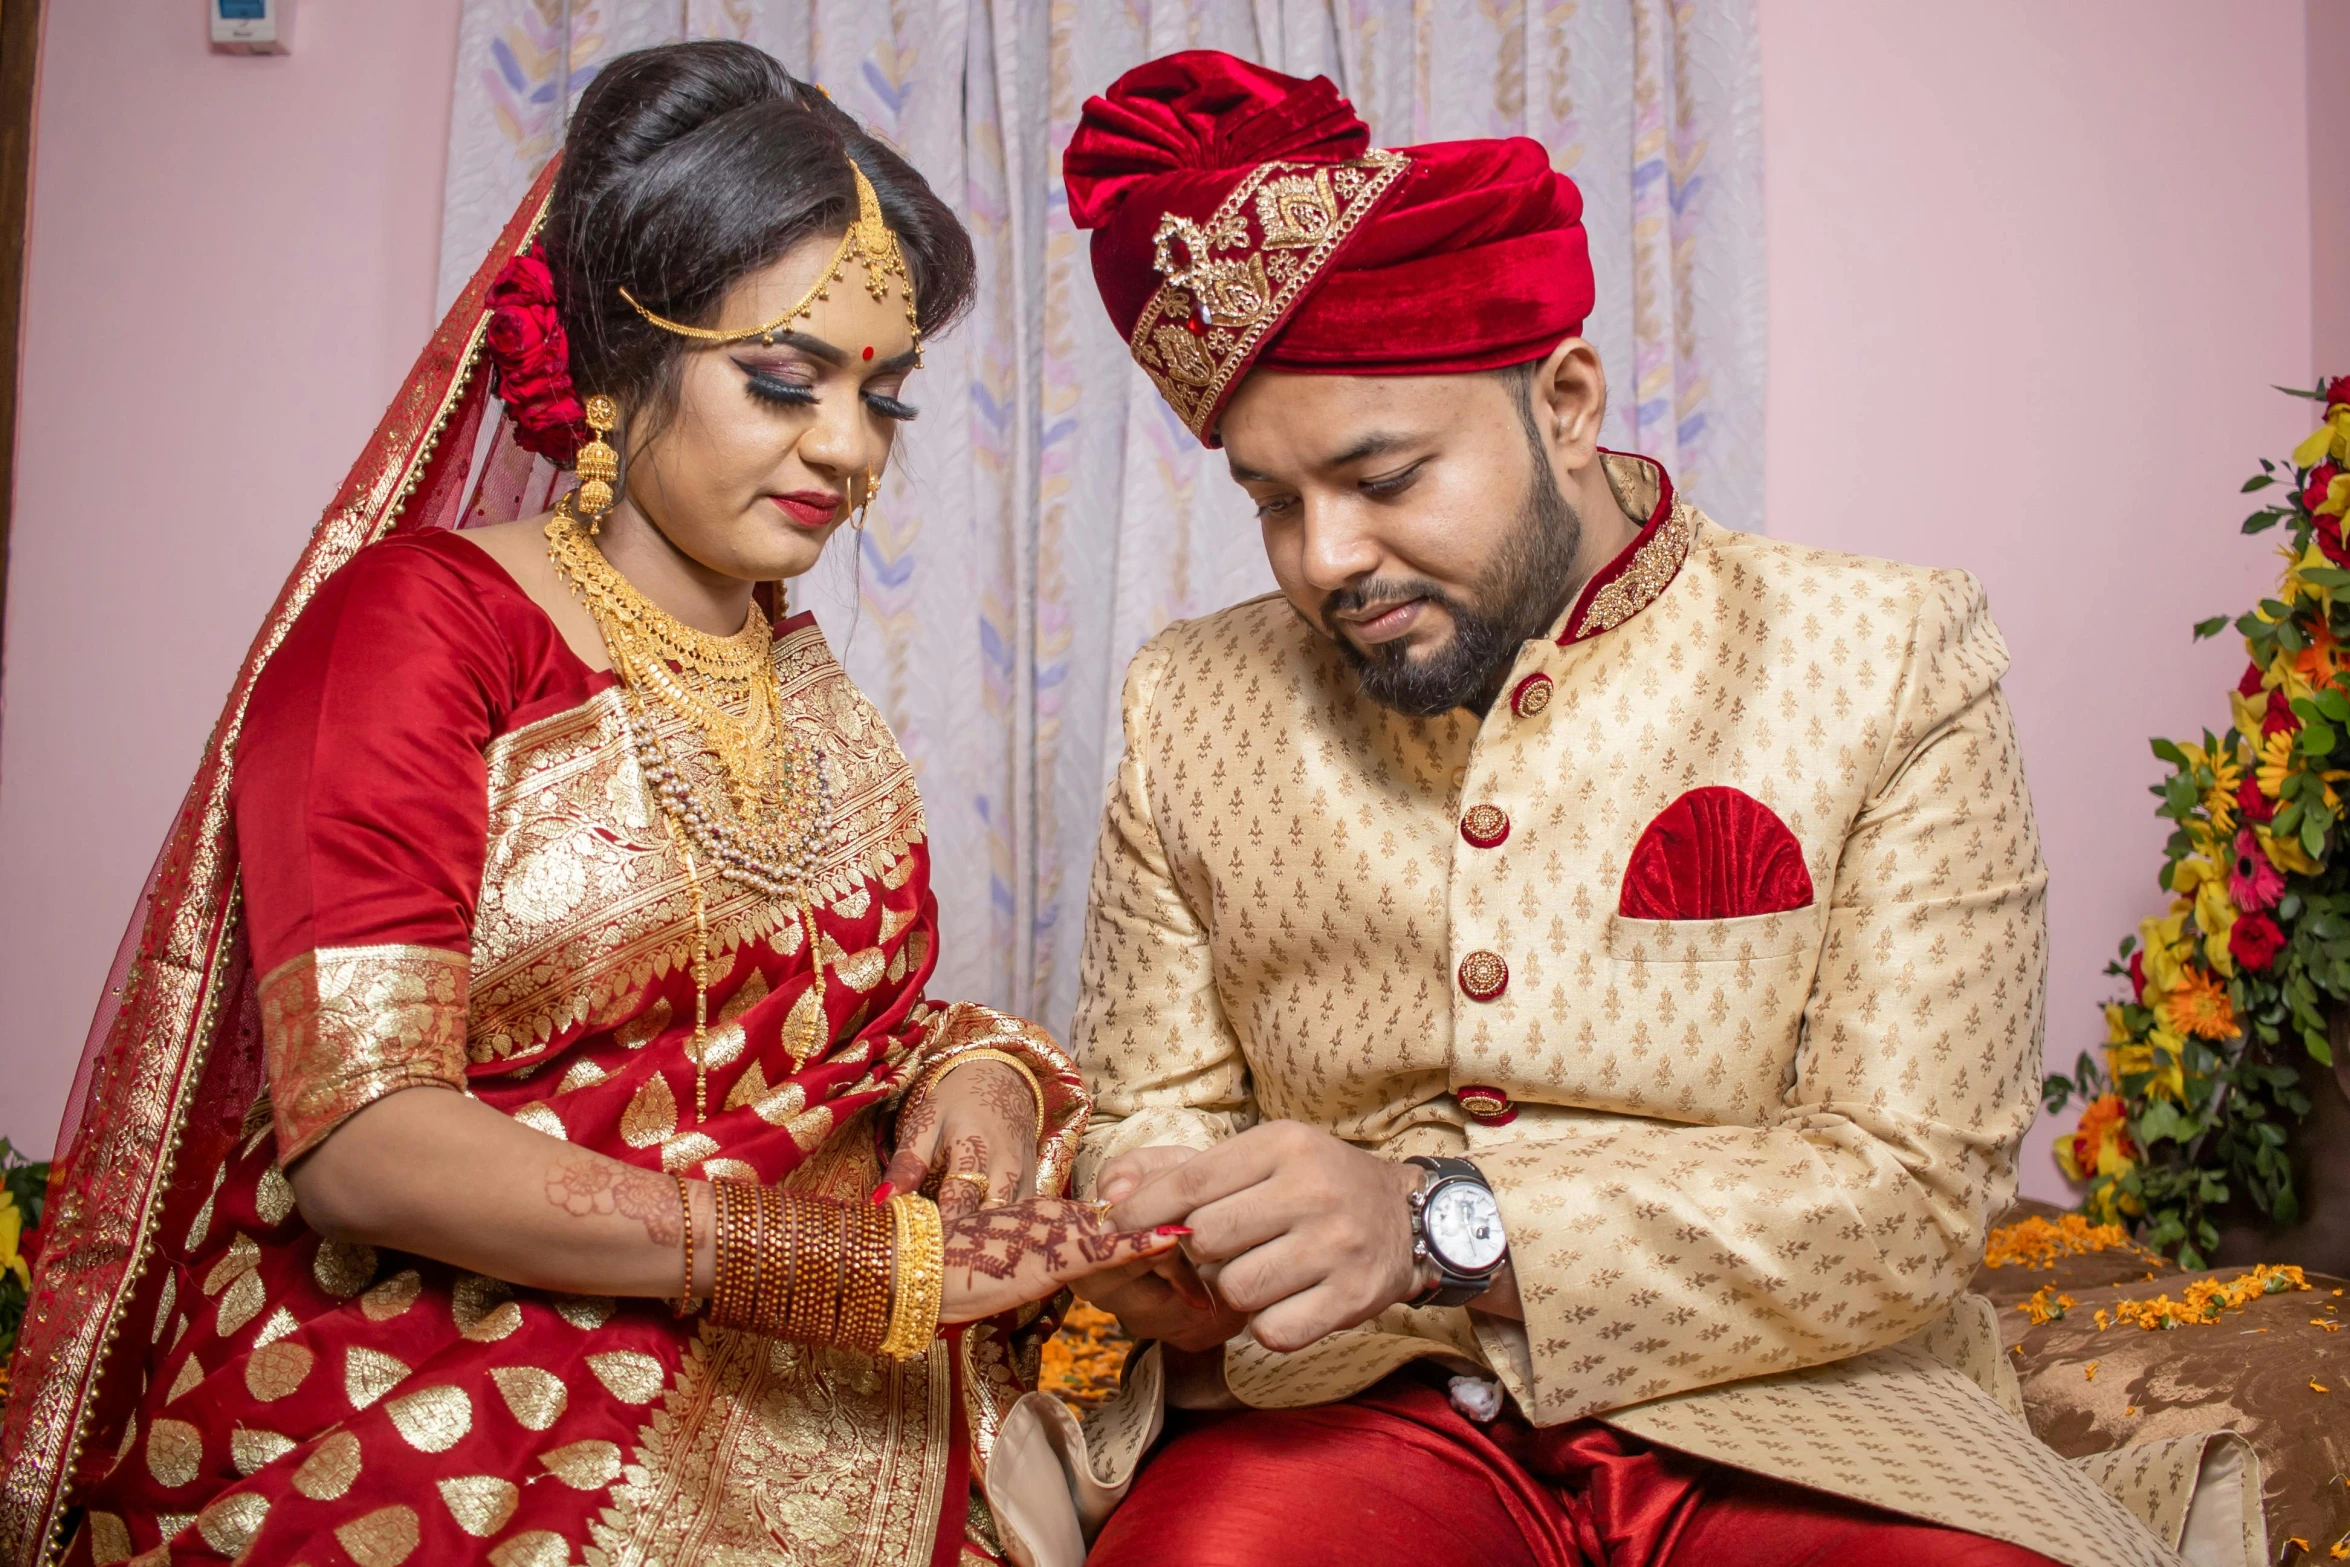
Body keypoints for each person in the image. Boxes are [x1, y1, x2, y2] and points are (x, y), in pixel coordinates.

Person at [0, 42, 1179, 1567]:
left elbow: (845, 1030)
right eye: (783, 380)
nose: (845, 446)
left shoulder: (787, 664)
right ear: (622, 355)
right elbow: (362, 1134)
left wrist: (987, 1082)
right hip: (439, 1384)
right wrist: (834, 1270)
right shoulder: (420, 628)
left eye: (879, 398)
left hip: (807, 1361)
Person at [1044, 51, 2203, 1567]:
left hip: (1808, 1407)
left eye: (1381, 477)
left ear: (1567, 401)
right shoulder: (1190, 701)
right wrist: (1172, 1240)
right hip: (1347, 1407)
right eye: (1272, 500)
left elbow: (1913, 1190)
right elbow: (1146, 1128)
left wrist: (1433, 1218)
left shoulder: (1879, 655)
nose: (1324, 556)